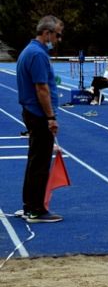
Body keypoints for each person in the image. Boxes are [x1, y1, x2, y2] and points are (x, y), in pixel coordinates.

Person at [15, 15, 64, 223]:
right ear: (47, 33)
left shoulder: (31, 51)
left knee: (35, 161)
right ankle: (36, 209)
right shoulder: (37, 55)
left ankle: (29, 206)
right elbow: (41, 89)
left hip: (32, 112)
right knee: (40, 163)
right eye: (58, 35)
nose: (59, 40)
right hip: (38, 114)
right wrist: (50, 117)